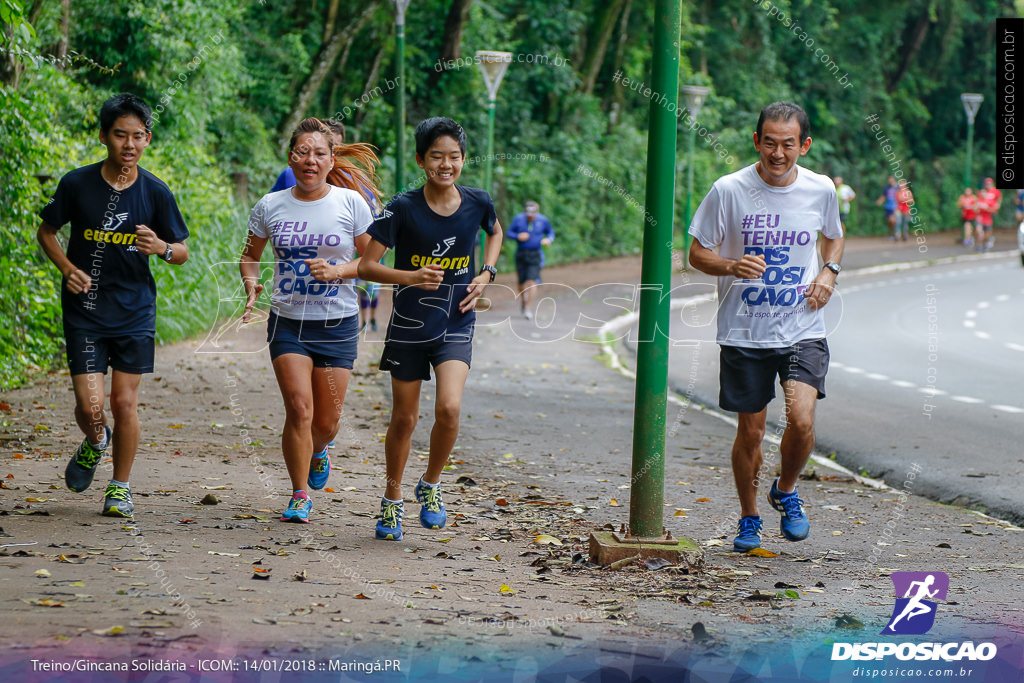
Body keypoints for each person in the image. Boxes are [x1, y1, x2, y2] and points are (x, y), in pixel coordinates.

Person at [687, 101, 844, 552]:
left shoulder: (821, 190)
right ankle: (750, 516)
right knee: (751, 432)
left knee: (801, 419)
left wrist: (828, 272)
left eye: (788, 144)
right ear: (757, 141)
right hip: (744, 332)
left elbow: (833, 234)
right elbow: (696, 253)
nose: (778, 153)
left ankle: (787, 489)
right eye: (769, 142)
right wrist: (731, 264)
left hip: (802, 327)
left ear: (804, 146)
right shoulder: (729, 190)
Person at [36, 93, 190, 517]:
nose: (129, 144)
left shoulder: (156, 192)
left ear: (148, 139)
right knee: (91, 407)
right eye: (120, 135)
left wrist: (161, 247)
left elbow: (181, 251)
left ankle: (120, 487)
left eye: (137, 136)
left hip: (135, 310)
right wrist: (67, 267)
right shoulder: (76, 184)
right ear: (104, 136)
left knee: (124, 404)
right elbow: (46, 232)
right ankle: (94, 441)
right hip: (85, 309)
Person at [358, 117, 503, 541]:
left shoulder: (478, 201)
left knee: (450, 410)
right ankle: (391, 500)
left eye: (454, 157)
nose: (446, 164)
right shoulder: (402, 208)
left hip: (457, 320)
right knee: (404, 419)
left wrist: (487, 273)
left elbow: (493, 233)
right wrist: (411, 276)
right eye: (436, 156)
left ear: (463, 160)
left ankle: (432, 485)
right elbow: (368, 265)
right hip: (409, 324)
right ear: (421, 160)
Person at [240, 117, 377, 523]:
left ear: (332, 158)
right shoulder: (270, 205)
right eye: (303, 152)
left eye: (319, 153)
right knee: (299, 409)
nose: (310, 160)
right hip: (288, 321)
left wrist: (338, 271)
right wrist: (251, 285)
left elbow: (371, 261)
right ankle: (299, 494)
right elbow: (250, 255)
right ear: (290, 157)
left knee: (327, 421)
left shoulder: (351, 203)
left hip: (337, 322)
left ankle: (320, 450)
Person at [507, 200, 555, 319]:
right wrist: (518, 236)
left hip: (535, 254)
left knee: (532, 281)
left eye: (533, 214)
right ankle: (524, 300)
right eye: (528, 214)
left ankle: (528, 308)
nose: (530, 216)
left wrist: (548, 239)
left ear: (537, 212)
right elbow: (508, 233)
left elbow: (551, 232)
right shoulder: (518, 219)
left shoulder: (543, 220)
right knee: (521, 283)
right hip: (521, 253)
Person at [975, 177, 1002, 251]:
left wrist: (997, 205)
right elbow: (975, 206)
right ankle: (979, 244)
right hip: (981, 216)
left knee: (988, 229)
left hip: (989, 214)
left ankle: (988, 240)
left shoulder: (995, 191)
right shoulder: (981, 194)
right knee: (979, 230)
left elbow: (999, 199)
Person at [875, 175, 898, 240]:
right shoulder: (886, 188)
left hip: (896, 207)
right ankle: (892, 233)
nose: (890, 180)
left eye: (891, 179)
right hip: (888, 207)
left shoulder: (897, 187)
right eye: (889, 179)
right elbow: (884, 196)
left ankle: (897, 233)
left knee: (894, 220)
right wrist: (879, 201)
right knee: (890, 222)